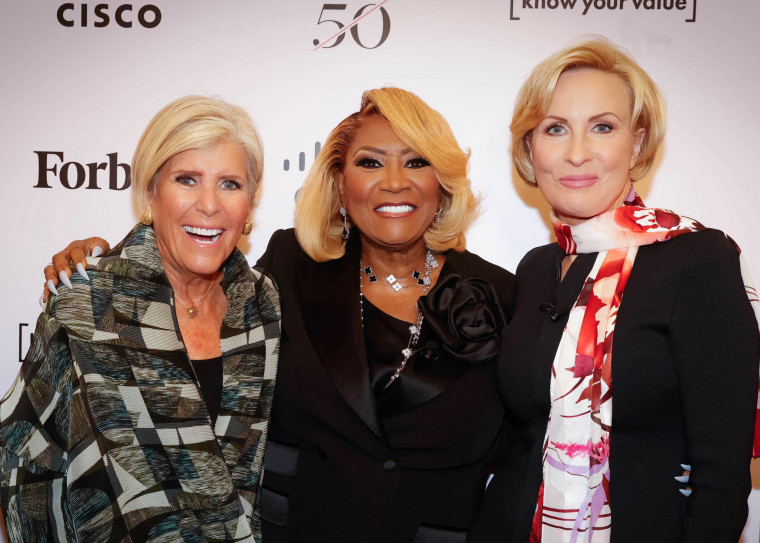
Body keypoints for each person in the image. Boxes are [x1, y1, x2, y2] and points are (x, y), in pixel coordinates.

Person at [38, 88, 516, 542]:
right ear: (339, 183)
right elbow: (193, 284)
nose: (394, 181)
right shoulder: (291, 267)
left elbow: (529, 437)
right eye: (370, 162)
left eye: (417, 161)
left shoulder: (500, 291)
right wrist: (106, 265)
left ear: (442, 183)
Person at [469, 38, 760, 543]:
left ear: (638, 143)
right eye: (555, 128)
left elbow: (723, 473)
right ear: (530, 149)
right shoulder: (536, 268)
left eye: (602, 127)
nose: (577, 152)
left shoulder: (697, 259)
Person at [0, 96, 281, 542]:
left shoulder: (262, 304)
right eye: (187, 179)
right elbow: (22, 454)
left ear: (250, 203)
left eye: (230, 184)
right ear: (151, 192)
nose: (209, 204)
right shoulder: (89, 301)